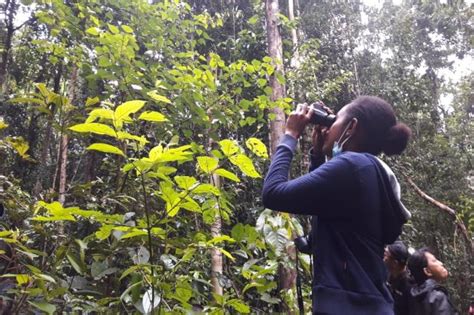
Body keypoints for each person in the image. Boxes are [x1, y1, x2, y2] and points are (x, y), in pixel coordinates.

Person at [262, 96, 412, 314]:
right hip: (365, 303)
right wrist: (316, 155)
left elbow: (273, 194)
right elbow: (323, 212)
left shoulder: (352, 166)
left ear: (351, 127)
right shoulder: (370, 172)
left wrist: (290, 135)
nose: (328, 129)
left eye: (335, 121)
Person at [407, 248, 458, 315]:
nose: (441, 263)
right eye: (434, 261)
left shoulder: (414, 294)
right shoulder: (437, 297)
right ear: (427, 271)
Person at [384, 240, 413, 315]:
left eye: (385, 255)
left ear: (395, 263)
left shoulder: (410, 286)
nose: (383, 258)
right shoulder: (386, 275)